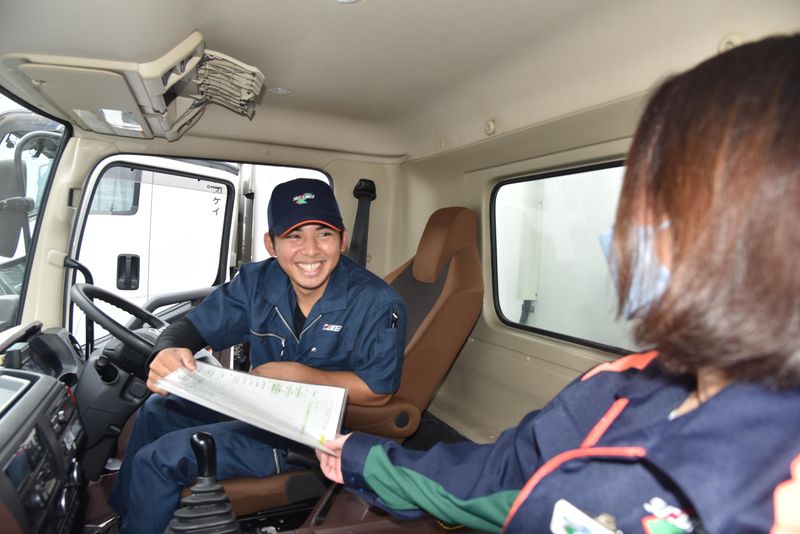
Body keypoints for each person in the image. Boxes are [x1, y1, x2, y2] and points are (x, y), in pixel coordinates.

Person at [317, 34, 800, 533]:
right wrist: (365, 461)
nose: (635, 231)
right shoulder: (619, 387)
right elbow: (503, 475)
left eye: (671, 198)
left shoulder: (781, 495)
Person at [108, 178, 407, 533]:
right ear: (271, 244)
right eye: (294, 235)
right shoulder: (257, 282)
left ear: (342, 239)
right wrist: (168, 349)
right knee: (156, 411)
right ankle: (127, 517)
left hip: (311, 434)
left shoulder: (377, 302)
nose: (311, 250)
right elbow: (193, 327)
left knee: (160, 458)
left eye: (324, 234)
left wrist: (298, 375)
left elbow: (378, 390)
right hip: (258, 408)